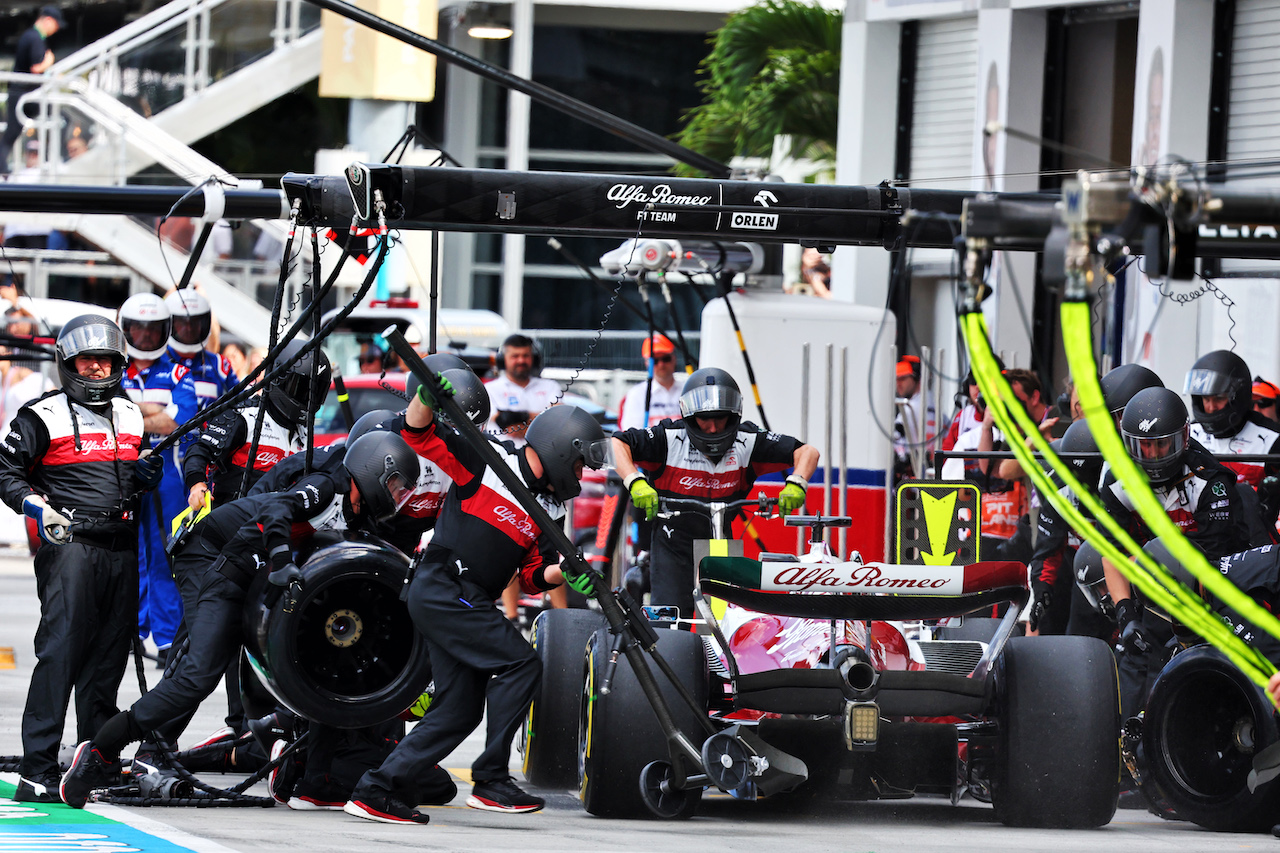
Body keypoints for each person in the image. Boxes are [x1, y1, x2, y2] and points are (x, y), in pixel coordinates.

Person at [58, 430, 422, 809]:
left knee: (323, 666)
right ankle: (102, 750)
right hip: (213, 555)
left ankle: (312, 779)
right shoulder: (327, 488)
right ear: (371, 470)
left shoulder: (357, 515)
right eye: (395, 485)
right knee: (197, 674)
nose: (398, 497)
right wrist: (281, 557)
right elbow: (275, 510)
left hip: (249, 566)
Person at [343, 385, 606, 824]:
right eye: (580, 463)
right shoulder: (490, 459)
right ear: (563, 447)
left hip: (462, 598)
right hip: (443, 586)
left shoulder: (549, 509)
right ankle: (490, 780)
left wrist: (565, 573)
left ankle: (376, 790)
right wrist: (426, 397)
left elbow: (533, 575)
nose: (579, 475)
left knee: (458, 710)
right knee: (521, 663)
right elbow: (417, 434)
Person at [0, 315, 163, 803]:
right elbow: (5, 472)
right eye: (87, 361)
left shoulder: (132, 414)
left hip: (121, 549)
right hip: (70, 546)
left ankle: (95, 764)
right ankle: (36, 769)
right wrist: (37, 506)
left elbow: (131, 473)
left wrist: (144, 475)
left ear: (119, 363)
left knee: (107, 663)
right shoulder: (39, 415)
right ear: (67, 364)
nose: (96, 370)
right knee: (60, 654)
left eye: (105, 361)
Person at [612, 367, 819, 617]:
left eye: (720, 418)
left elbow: (808, 452)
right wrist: (635, 481)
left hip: (720, 541)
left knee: (721, 623)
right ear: (689, 416)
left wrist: (797, 482)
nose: (712, 429)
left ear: (734, 416)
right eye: (704, 419)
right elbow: (617, 442)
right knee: (670, 622)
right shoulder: (666, 437)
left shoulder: (749, 439)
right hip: (671, 544)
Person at [1100, 386, 1251, 720]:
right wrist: (1125, 616)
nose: (1152, 455)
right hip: (1153, 582)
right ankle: (1124, 743)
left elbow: (1214, 563)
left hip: (1214, 581)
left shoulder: (1212, 481)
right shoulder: (1115, 480)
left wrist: (1184, 628)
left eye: (1161, 445)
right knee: (1132, 649)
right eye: (1144, 446)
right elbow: (1110, 552)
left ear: (1183, 438)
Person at [117, 293, 201, 663]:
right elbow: (107, 414)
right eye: (138, 328)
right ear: (126, 329)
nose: (146, 336)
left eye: (153, 329)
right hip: (120, 472)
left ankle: (167, 638)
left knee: (167, 556)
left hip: (167, 473)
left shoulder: (180, 371)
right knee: (124, 554)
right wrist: (150, 412)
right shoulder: (114, 370)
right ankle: (129, 632)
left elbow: (176, 420)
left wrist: (131, 411)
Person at [183, 340, 331, 509]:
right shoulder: (244, 415)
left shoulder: (305, 434)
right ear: (279, 377)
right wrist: (197, 485)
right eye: (301, 389)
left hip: (277, 525)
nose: (307, 399)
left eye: (315, 393)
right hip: (233, 523)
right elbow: (200, 451)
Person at [1184, 350, 1280, 541]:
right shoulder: (1187, 435)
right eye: (1206, 399)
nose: (1211, 407)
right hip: (1197, 537)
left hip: (1251, 540)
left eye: (1218, 398)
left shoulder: (1271, 438)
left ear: (1238, 396)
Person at [1, 6, 62, 173]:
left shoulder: (32, 36)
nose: (56, 29)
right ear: (48, 20)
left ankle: (4, 169)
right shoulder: (34, 37)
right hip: (23, 94)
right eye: (56, 24)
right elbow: (36, 67)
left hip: (23, 93)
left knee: (12, 133)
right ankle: (3, 169)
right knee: (57, 117)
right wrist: (49, 61)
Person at [163, 289, 237, 411]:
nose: (188, 328)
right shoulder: (154, 362)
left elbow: (243, 404)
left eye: (195, 322)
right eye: (182, 322)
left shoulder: (220, 365)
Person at [484, 333, 560, 447]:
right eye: (515, 356)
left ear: (534, 359)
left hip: (544, 458)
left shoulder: (550, 386)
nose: (521, 360)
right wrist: (542, 422)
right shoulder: (489, 389)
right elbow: (507, 426)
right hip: (504, 459)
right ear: (502, 360)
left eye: (526, 356)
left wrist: (520, 418)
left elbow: (558, 420)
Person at [618, 333, 686, 431]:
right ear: (646, 363)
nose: (661, 364)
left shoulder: (687, 391)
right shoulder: (636, 394)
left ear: (674, 359)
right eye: (655, 360)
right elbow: (631, 433)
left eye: (666, 359)